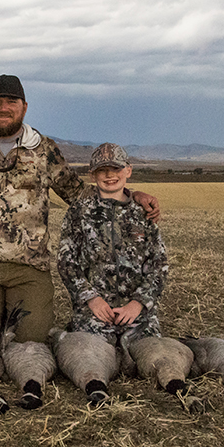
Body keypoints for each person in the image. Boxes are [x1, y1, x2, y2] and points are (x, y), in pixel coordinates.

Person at [0, 75, 159, 343]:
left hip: (30, 268)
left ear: (24, 107)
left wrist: (132, 195)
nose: (3, 108)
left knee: (33, 341)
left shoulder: (44, 150)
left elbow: (79, 194)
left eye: (11, 102)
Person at [56, 143, 167, 342]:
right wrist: (91, 298)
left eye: (116, 169)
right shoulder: (79, 212)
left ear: (128, 171)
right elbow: (67, 262)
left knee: (153, 357)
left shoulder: (143, 212)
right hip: (94, 314)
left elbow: (159, 265)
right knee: (87, 358)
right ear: (92, 176)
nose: (109, 175)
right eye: (102, 170)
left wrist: (138, 303)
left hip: (138, 316)